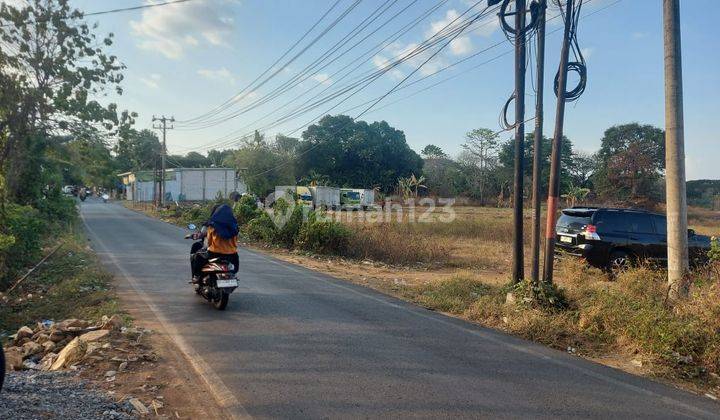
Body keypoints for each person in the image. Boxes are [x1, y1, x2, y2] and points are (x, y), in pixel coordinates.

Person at [190, 204, 239, 283]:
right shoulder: (234, 226)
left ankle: (197, 276)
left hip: (215, 253)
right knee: (235, 266)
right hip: (231, 255)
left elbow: (209, 242)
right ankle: (232, 276)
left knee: (198, 257)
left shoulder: (212, 225)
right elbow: (236, 241)